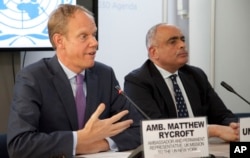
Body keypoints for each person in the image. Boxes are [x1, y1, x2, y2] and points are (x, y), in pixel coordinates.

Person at [7, 4, 142, 158]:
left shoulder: (105, 75)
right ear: (59, 41)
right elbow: (19, 144)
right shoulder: (32, 78)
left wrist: (99, 144)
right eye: (84, 36)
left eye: (94, 34)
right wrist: (78, 140)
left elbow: (139, 130)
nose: (95, 43)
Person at [124, 23, 239, 142]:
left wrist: (235, 126)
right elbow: (157, 129)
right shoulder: (137, 81)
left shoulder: (196, 75)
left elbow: (222, 115)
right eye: (173, 42)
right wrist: (212, 130)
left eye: (182, 40)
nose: (182, 45)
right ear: (154, 52)